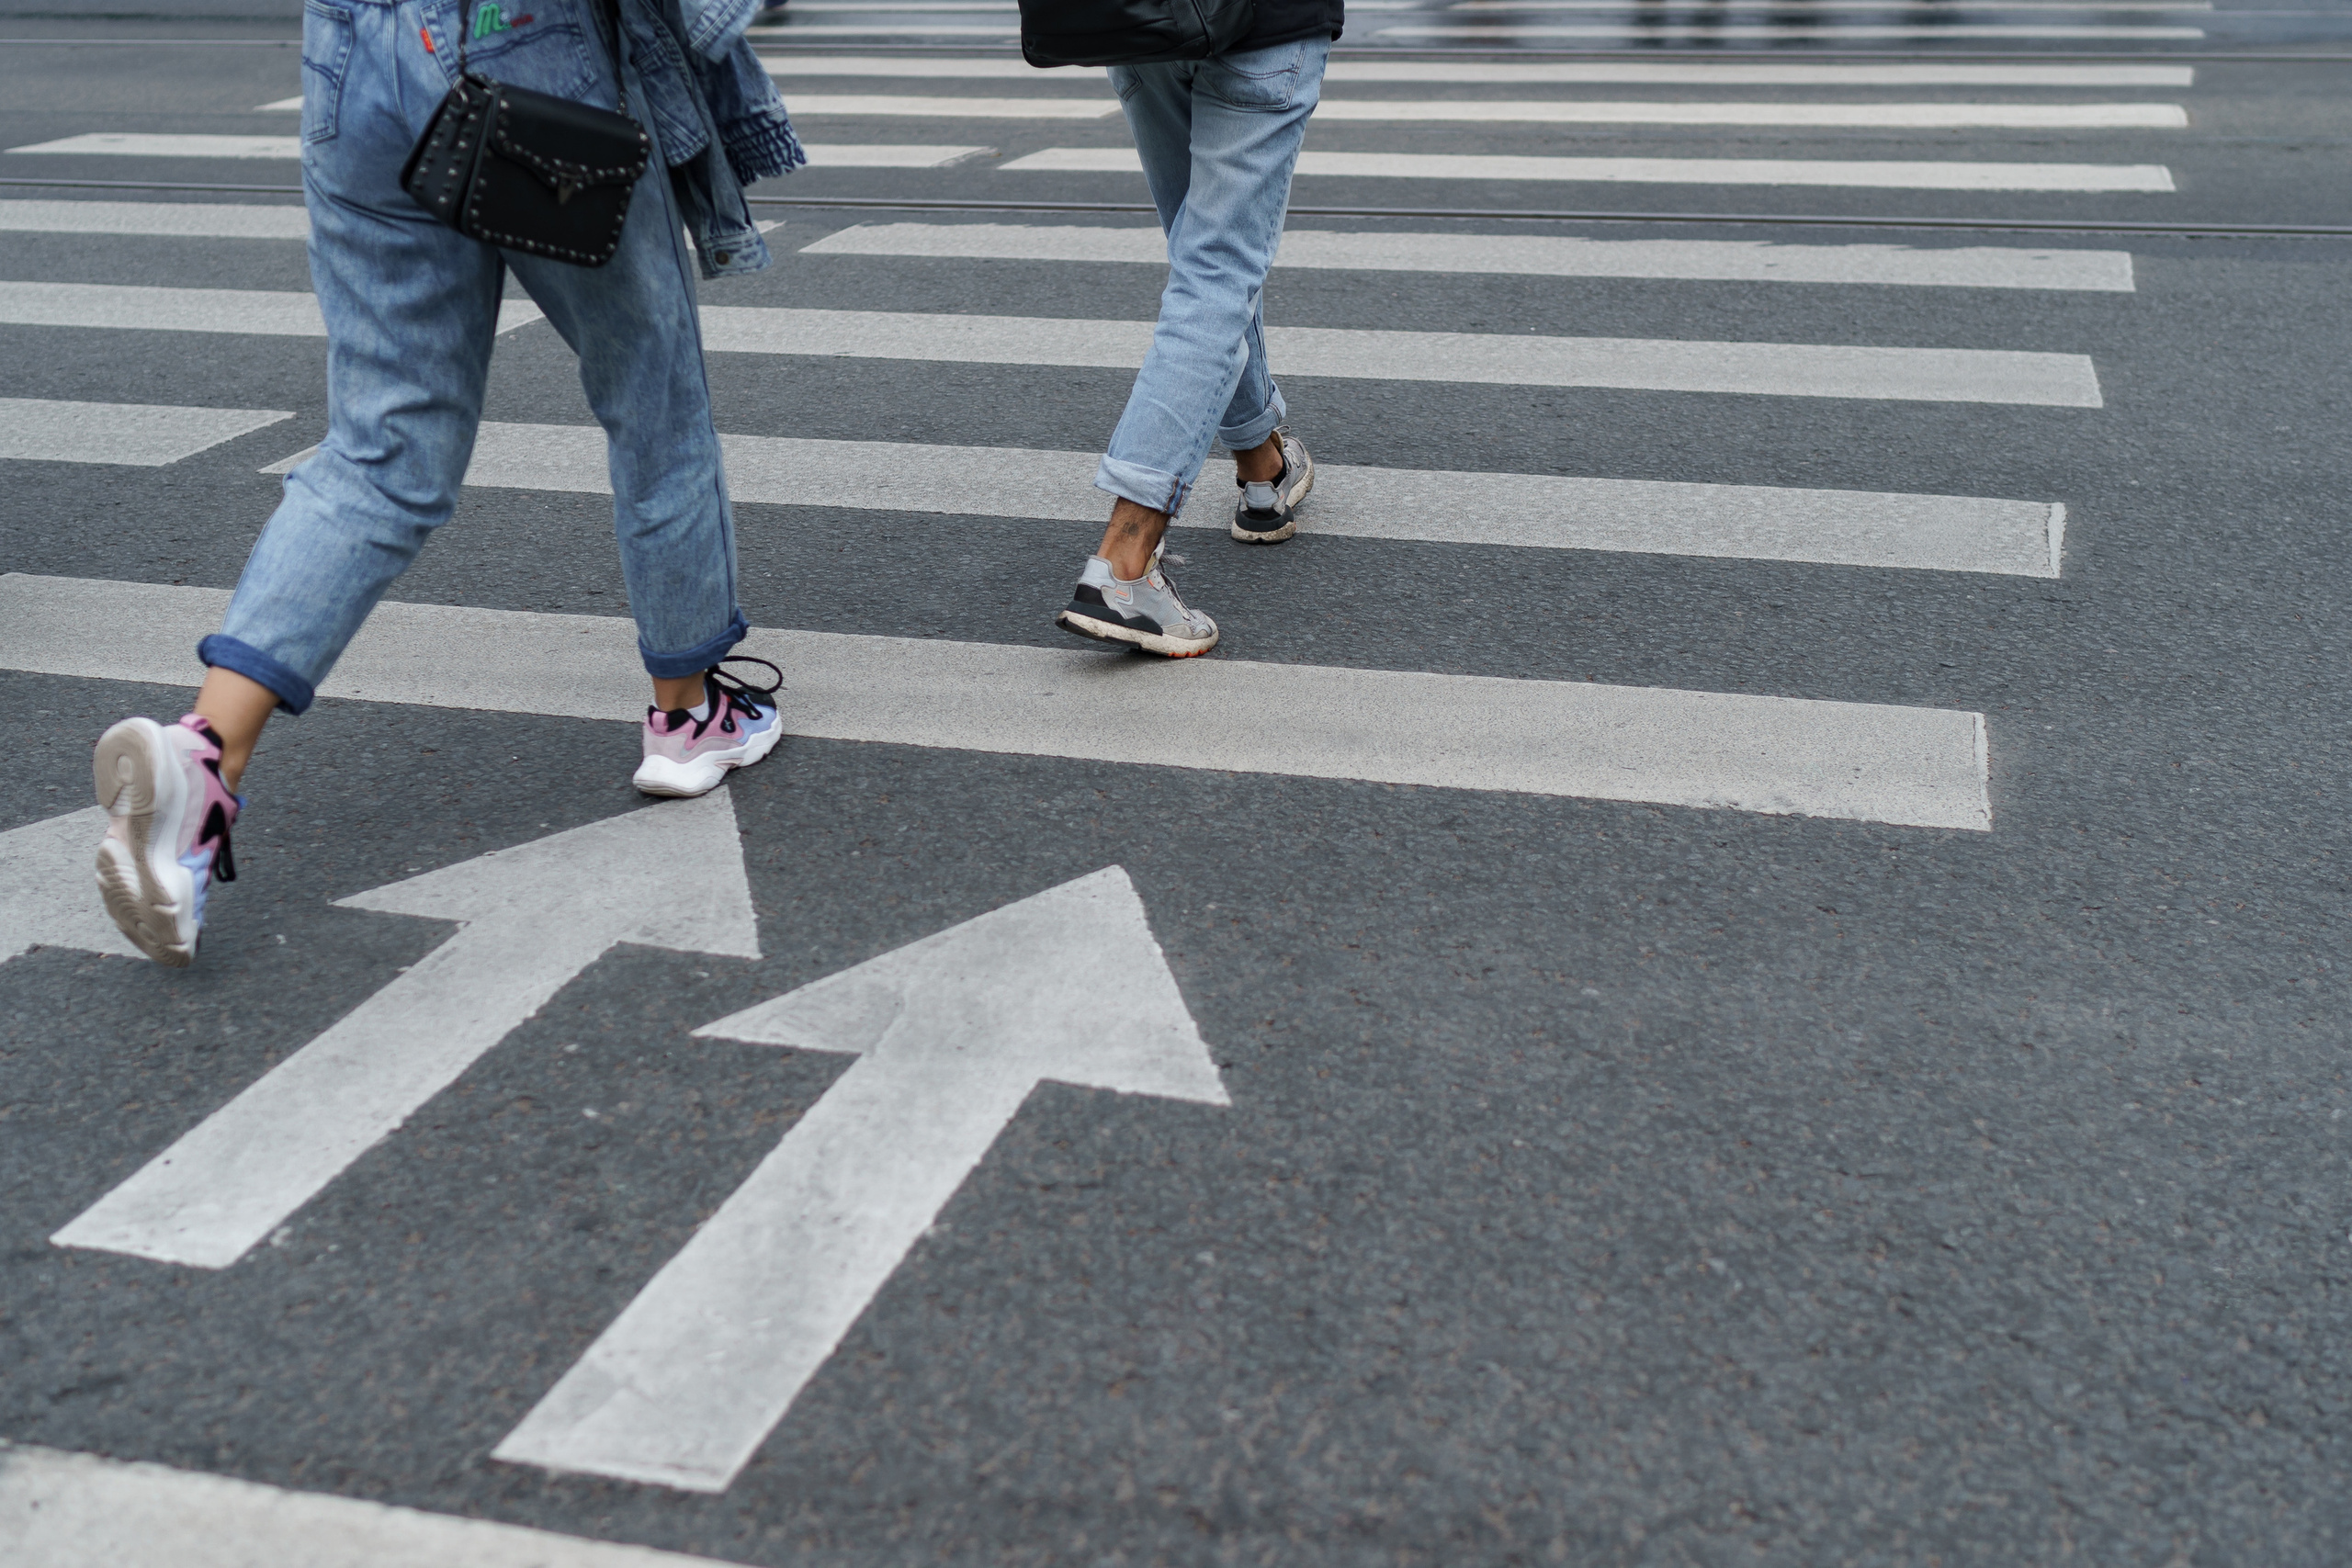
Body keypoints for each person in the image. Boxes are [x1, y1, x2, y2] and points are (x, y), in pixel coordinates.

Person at [90, 0, 804, 967]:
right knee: (653, 397)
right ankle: (686, 716)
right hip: (529, 37)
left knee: (383, 448)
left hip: (350, 48)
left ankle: (204, 756)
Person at [1053, 0, 1341, 658]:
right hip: (1268, 27)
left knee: (1208, 262)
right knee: (1215, 271)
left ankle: (1262, 468)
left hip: (1142, 21)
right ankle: (1123, 564)